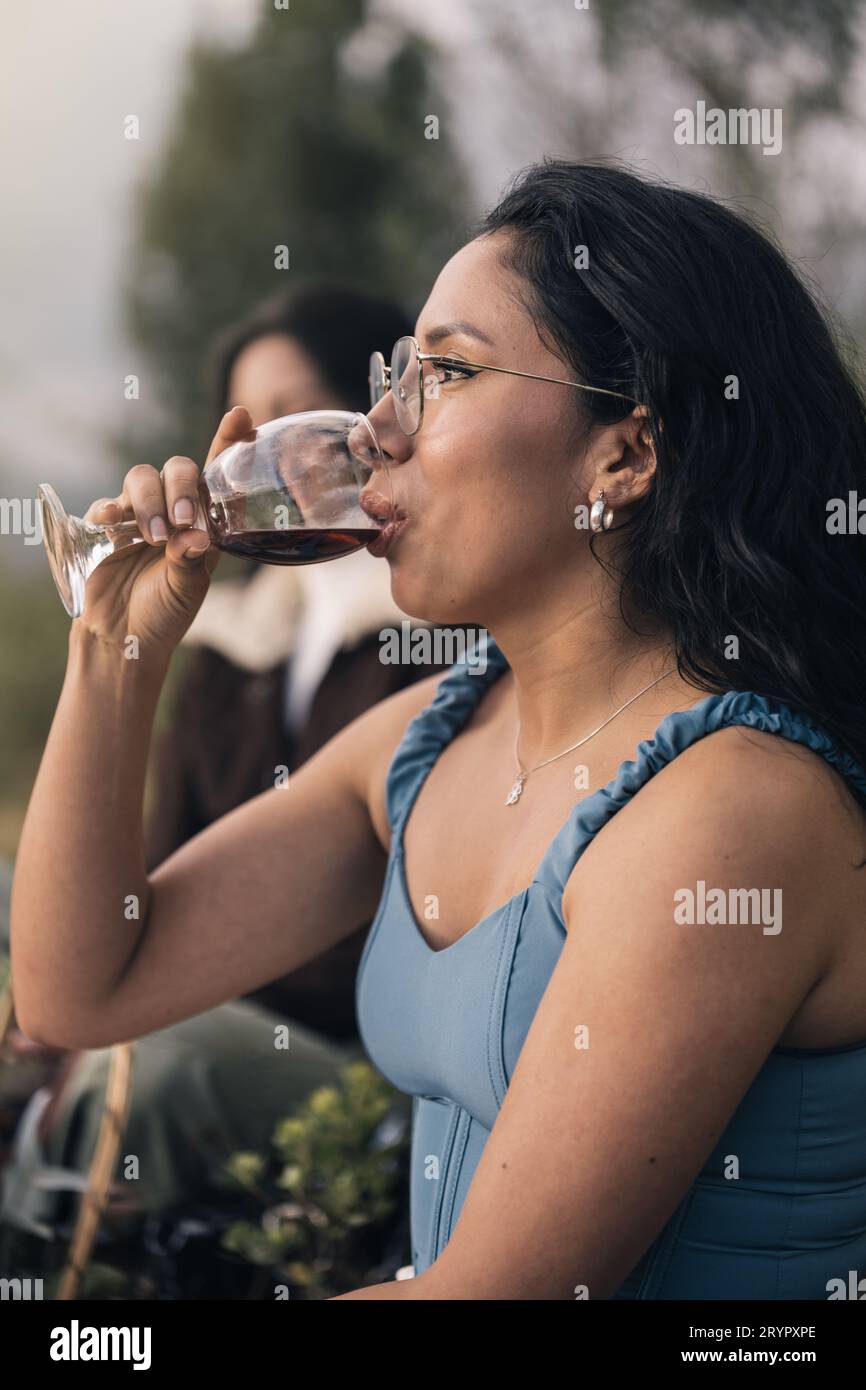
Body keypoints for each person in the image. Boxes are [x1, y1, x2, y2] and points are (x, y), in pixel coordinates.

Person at [11, 157, 866, 1299]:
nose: (376, 431)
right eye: (393, 376)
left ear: (624, 453)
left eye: (444, 373)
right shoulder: (431, 739)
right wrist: (114, 652)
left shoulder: (733, 813)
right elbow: (83, 987)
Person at [3, 283, 464, 1235]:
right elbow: (130, 900)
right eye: (256, 427)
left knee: (162, 1063)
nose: (273, 454)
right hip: (192, 991)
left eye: (303, 412)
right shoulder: (235, 647)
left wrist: (154, 1008)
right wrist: (111, 645)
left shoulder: (445, 650)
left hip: (339, 1061)